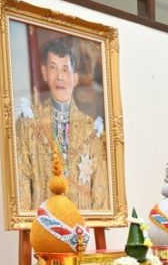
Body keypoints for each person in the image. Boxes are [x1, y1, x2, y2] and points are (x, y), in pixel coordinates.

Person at [14, 39, 107, 212]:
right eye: (53, 68)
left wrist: (98, 220)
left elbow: (100, 188)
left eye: (65, 69)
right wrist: (26, 223)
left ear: (75, 78)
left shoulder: (91, 128)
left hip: (81, 231)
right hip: (42, 230)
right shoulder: (29, 121)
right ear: (44, 72)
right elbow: (21, 179)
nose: (60, 76)